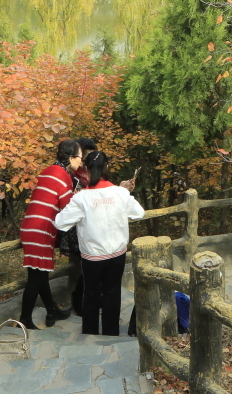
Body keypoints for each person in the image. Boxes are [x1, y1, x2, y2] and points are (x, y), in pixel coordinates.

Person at [55, 151, 142, 336]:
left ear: (86, 169)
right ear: (107, 168)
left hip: (92, 257)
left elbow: (60, 222)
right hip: (117, 254)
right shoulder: (120, 193)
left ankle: (90, 332)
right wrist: (124, 193)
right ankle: (111, 332)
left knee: (91, 294)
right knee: (112, 293)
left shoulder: (81, 198)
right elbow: (138, 213)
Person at [18, 139, 83, 330]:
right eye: (79, 157)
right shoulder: (63, 175)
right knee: (36, 279)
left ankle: (52, 309)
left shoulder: (49, 170)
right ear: (71, 157)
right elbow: (67, 207)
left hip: (31, 225)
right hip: (41, 229)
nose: (81, 162)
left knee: (40, 274)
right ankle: (25, 320)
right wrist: (78, 198)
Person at [63, 138, 98, 315]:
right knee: (85, 267)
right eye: (84, 154)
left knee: (89, 267)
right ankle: (80, 303)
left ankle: (88, 302)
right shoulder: (71, 174)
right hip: (78, 228)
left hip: (91, 225)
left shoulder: (88, 173)